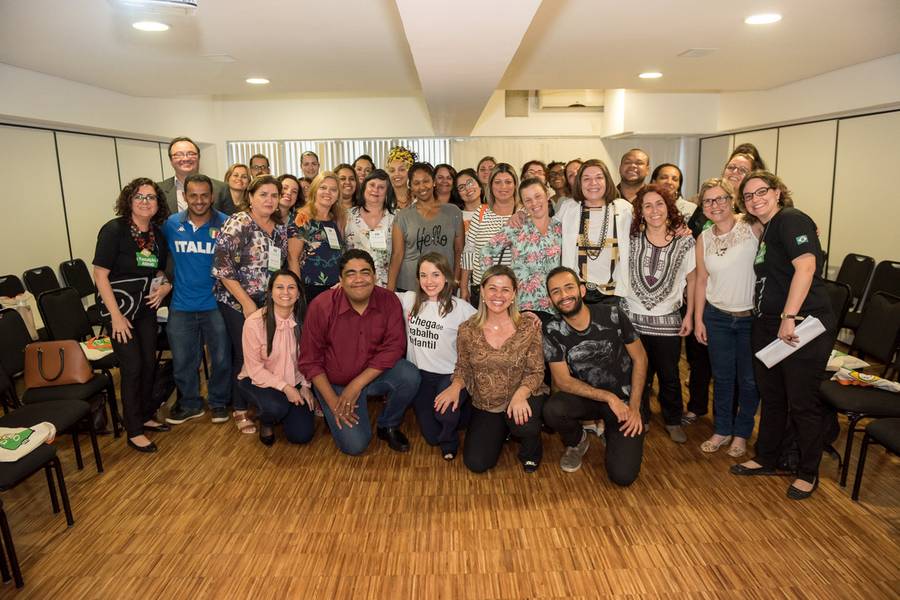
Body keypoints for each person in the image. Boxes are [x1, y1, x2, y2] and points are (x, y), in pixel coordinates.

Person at [731, 171, 834, 500]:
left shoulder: (791, 219)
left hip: (800, 325)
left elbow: (806, 267)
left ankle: (807, 471)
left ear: (777, 192)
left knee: (802, 402)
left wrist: (788, 317)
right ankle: (767, 457)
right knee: (772, 396)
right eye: (748, 196)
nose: (755, 199)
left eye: (762, 191)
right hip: (769, 324)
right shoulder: (768, 228)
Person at [299, 249, 420, 455]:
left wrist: (356, 385)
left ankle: (387, 425)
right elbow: (310, 360)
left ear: (374, 276)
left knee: (409, 374)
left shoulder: (389, 301)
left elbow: (394, 347)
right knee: (355, 446)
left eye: (365, 272)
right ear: (340, 279)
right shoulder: (321, 306)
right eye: (351, 273)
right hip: (334, 383)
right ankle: (334, 414)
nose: (359, 279)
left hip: (371, 377)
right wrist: (333, 402)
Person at [542, 267, 648, 483]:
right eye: (556, 292)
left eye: (569, 287)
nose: (564, 295)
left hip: (626, 400)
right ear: (550, 299)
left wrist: (635, 407)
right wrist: (609, 398)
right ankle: (578, 440)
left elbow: (641, 359)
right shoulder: (552, 330)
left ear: (581, 290)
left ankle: (612, 433)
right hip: (589, 397)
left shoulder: (613, 314)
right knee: (553, 410)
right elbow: (562, 381)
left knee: (623, 476)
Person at [437, 266, 546, 473]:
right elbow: (463, 367)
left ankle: (531, 449)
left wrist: (521, 395)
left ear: (514, 294)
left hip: (522, 394)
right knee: (476, 463)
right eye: (493, 288)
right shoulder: (467, 329)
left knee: (524, 424)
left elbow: (536, 371)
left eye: (505, 290)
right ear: (483, 292)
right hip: (487, 403)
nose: (498, 295)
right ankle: (502, 429)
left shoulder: (528, 326)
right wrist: (455, 386)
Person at [93, 177, 172, 453]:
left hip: (145, 308)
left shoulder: (157, 235)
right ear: (129, 200)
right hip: (119, 310)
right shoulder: (113, 230)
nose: (145, 202)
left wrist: (165, 287)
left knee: (149, 364)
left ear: (157, 204)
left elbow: (159, 272)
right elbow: (100, 275)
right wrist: (115, 316)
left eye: (151, 197)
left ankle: (145, 415)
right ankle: (133, 429)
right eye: (139, 196)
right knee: (133, 367)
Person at [618, 184, 696, 443]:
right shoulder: (630, 238)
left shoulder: (685, 240)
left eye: (659, 204)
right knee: (638, 373)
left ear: (669, 207)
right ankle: (641, 415)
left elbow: (693, 280)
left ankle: (673, 420)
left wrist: (691, 315)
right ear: (639, 211)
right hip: (633, 319)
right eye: (647, 206)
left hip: (668, 320)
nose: (654, 210)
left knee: (669, 374)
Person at [212, 175, 288, 435]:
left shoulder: (278, 227)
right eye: (263, 194)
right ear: (251, 198)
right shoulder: (239, 223)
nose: (269, 200)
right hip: (237, 302)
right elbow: (222, 268)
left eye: (274, 195)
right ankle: (240, 408)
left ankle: (261, 400)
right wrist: (246, 303)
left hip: (267, 302)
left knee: (264, 352)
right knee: (244, 354)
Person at [693, 178, 761, 458]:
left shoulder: (753, 226)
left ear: (732, 199)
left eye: (721, 198)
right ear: (703, 207)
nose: (715, 205)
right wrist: (698, 319)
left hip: (750, 319)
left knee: (749, 381)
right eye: (708, 201)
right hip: (717, 317)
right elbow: (700, 280)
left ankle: (742, 434)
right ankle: (722, 429)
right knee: (721, 379)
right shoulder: (704, 238)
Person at [162, 174, 232, 426]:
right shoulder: (171, 224)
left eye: (204, 195)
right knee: (183, 361)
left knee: (222, 358)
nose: (199, 200)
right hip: (181, 305)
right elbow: (159, 258)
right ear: (184, 197)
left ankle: (218, 402)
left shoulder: (226, 223)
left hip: (216, 304)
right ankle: (191, 403)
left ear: (212, 196)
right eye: (194, 195)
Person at [399, 253, 476, 459]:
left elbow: (489, 321)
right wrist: (342, 286)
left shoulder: (461, 308)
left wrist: (525, 318)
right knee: (432, 436)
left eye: (435, 275)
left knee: (445, 414)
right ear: (417, 279)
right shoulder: (409, 299)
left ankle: (451, 438)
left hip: (449, 376)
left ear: (446, 277)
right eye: (423, 275)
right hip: (421, 377)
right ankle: (459, 417)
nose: (429, 281)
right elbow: (375, 293)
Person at [237, 270, 315, 447]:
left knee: (301, 436)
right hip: (257, 380)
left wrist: (305, 385)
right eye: (279, 287)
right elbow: (255, 369)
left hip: (293, 380)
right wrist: (286, 388)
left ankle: (282, 412)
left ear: (299, 293)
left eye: (291, 287)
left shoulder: (306, 320)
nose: (285, 292)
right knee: (276, 407)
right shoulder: (255, 322)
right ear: (270, 292)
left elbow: (310, 357)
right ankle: (267, 420)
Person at [556, 159, 632, 303]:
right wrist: (522, 214)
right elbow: (545, 229)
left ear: (607, 181)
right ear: (579, 183)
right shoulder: (568, 208)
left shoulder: (624, 209)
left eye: (599, 177)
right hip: (577, 293)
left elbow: (649, 230)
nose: (593, 183)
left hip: (613, 294)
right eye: (586, 179)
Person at [482, 178, 561, 316]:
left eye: (538, 196)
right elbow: (486, 251)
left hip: (555, 306)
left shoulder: (560, 227)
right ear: (523, 203)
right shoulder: (517, 226)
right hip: (522, 306)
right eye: (528, 200)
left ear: (547, 195)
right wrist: (494, 284)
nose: (534, 203)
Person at [388, 163, 463, 292]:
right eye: (416, 183)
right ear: (410, 186)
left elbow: (459, 250)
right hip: (409, 286)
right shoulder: (403, 216)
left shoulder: (453, 212)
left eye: (426, 181)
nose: (422, 187)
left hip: (443, 285)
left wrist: (455, 280)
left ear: (433, 182)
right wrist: (390, 290)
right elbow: (397, 255)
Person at [459, 163, 519, 306]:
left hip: (514, 293)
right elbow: (469, 251)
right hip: (482, 290)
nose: (503, 187)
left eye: (508, 182)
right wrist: (463, 286)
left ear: (516, 185)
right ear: (490, 186)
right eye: (497, 182)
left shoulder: (524, 214)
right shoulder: (481, 212)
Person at [287, 171, 346, 304]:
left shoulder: (337, 218)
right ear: (314, 190)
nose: (328, 192)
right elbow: (293, 257)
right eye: (323, 187)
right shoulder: (302, 217)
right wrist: (297, 290)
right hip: (309, 288)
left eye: (333, 189)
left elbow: (340, 254)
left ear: (338, 195)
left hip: (335, 288)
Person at [344, 169, 396, 287]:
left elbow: (397, 255)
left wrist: (391, 287)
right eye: (372, 185)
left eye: (381, 187)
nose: (375, 190)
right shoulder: (347, 216)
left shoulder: (396, 218)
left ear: (387, 192)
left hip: (385, 284)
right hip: (353, 282)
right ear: (364, 188)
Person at [157, 136, 226, 213]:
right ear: (171, 160)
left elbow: (232, 222)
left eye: (191, 154)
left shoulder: (221, 189)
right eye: (179, 155)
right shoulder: (158, 189)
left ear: (199, 157)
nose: (185, 159)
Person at [453, 168, 485, 233]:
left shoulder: (494, 212)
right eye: (461, 187)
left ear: (480, 185)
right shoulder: (455, 217)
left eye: (470, 183)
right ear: (458, 194)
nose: (468, 188)